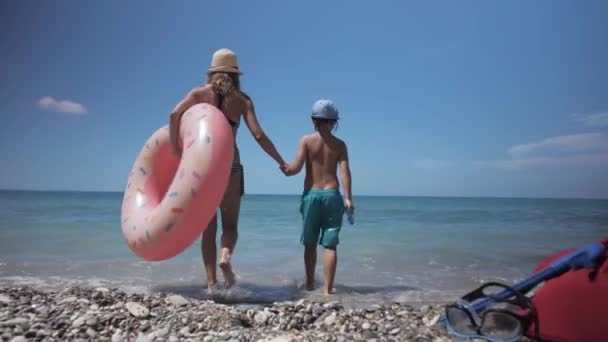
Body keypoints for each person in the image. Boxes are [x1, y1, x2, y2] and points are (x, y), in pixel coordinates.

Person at [169, 48, 287, 290]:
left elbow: (174, 114)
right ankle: (226, 257)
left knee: (208, 229)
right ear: (235, 75)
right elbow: (258, 134)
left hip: (203, 168)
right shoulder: (243, 100)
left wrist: (175, 150)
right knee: (230, 225)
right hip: (231, 164)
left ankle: (211, 283)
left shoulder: (199, 93)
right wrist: (280, 161)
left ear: (212, 72)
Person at [281, 99, 354, 295]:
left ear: (313, 119)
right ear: (334, 122)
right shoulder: (340, 145)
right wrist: (348, 198)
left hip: (311, 195)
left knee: (310, 243)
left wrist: (286, 170)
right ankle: (328, 291)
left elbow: (295, 168)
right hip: (332, 195)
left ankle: (310, 284)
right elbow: (345, 172)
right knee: (330, 245)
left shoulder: (306, 141)